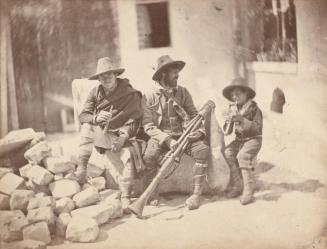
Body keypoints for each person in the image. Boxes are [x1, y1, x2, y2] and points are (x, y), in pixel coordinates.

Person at [142, 55, 209, 210]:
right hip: (160, 136)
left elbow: (195, 115)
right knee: (149, 156)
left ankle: (196, 194)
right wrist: (167, 140)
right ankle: (152, 194)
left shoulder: (183, 93)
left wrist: (199, 133)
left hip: (184, 135)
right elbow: (148, 126)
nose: (178, 74)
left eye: (178, 70)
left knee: (202, 150)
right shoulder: (149, 96)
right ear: (163, 73)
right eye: (174, 71)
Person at [77, 57, 143, 212]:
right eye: (102, 76)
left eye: (109, 75)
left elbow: (136, 119)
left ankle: (126, 197)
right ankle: (81, 168)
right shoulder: (95, 92)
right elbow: (83, 116)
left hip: (124, 134)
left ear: (115, 75)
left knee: (128, 156)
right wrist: (95, 118)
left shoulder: (129, 93)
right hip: (103, 133)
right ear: (98, 79)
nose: (106, 79)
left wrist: (123, 136)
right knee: (86, 127)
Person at [222, 77, 263, 205]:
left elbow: (257, 129)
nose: (235, 97)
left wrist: (241, 119)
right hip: (240, 140)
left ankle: (248, 191)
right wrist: (229, 121)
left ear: (246, 94)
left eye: (238, 94)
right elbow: (227, 132)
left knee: (242, 156)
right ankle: (238, 185)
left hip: (254, 140)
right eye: (233, 95)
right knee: (228, 152)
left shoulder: (254, 109)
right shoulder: (233, 108)